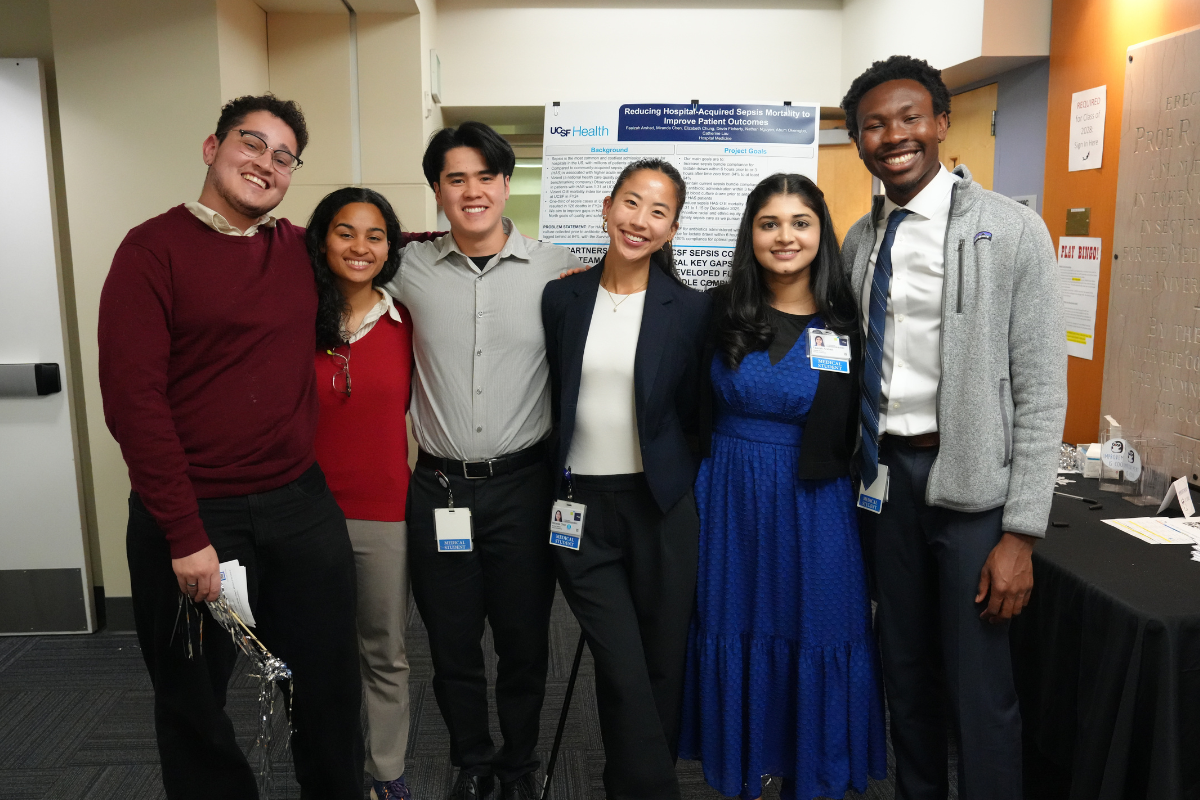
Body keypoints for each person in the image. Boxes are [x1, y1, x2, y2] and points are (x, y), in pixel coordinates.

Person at [98, 94, 364, 799]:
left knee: (330, 689)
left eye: (284, 157)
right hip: (192, 516)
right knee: (192, 703)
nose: (266, 164)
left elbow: (378, 247)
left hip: (300, 506)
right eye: (253, 143)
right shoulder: (150, 250)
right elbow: (134, 403)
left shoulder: (298, 250)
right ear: (212, 147)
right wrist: (184, 535)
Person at [841, 56, 1067, 800]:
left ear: (941, 124)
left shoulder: (1012, 230)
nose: (894, 135)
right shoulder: (859, 241)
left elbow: (1040, 389)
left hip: (973, 492)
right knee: (903, 678)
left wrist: (1022, 532)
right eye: (875, 125)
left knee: (980, 690)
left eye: (909, 118)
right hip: (884, 487)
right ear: (860, 142)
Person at [382, 121, 581, 800]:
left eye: (485, 176)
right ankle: (473, 760)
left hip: (524, 488)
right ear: (437, 189)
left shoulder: (559, 268)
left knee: (525, 643)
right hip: (437, 489)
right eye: (455, 178)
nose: (472, 191)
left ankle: (520, 764)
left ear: (506, 183)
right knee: (452, 644)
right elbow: (329, 252)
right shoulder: (405, 269)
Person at [679, 173, 887, 800]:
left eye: (801, 222)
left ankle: (810, 778)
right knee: (737, 630)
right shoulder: (716, 312)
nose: (785, 236)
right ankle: (745, 771)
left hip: (817, 503)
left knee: (820, 631)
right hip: (729, 503)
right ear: (751, 234)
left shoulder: (847, 323)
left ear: (822, 233)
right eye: (770, 223)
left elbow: (868, 420)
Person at [542, 159, 711, 800]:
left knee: (662, 663)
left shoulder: (691, 312)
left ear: (671, 230)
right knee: (620, 662)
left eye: (658, 211)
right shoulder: (562, 296)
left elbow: (698, 417)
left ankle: (628, 784)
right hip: (579, 508)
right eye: (631, 203)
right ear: (607, 207)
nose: (640, 220)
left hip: (661, 506)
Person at [307, 187, 434, 800]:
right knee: (314, 654)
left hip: (384, 511)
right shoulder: (293, 316)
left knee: (384, 650)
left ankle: (387, 772)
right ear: (322, 239)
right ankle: (327, 771)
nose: (360, 246)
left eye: (375, 235)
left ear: (391, 248)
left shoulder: (407, 321)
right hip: (302, 512)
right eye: (345, 232)